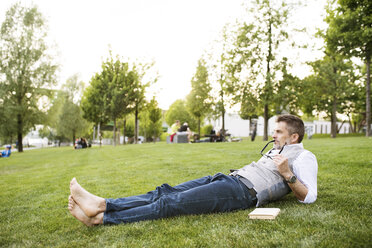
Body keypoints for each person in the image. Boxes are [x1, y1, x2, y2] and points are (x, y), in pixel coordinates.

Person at [68, 114, 317, 226]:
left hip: (243, 192)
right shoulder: (278, 149)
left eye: (279, 132)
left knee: (172, 203)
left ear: (294, 137)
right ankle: (102, 204)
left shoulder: (304, 157)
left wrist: (288, 175)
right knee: (164, 192)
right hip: (230, 179)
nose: (273, 135)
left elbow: (309, 196)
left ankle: (103, 218)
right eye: (274, 131)